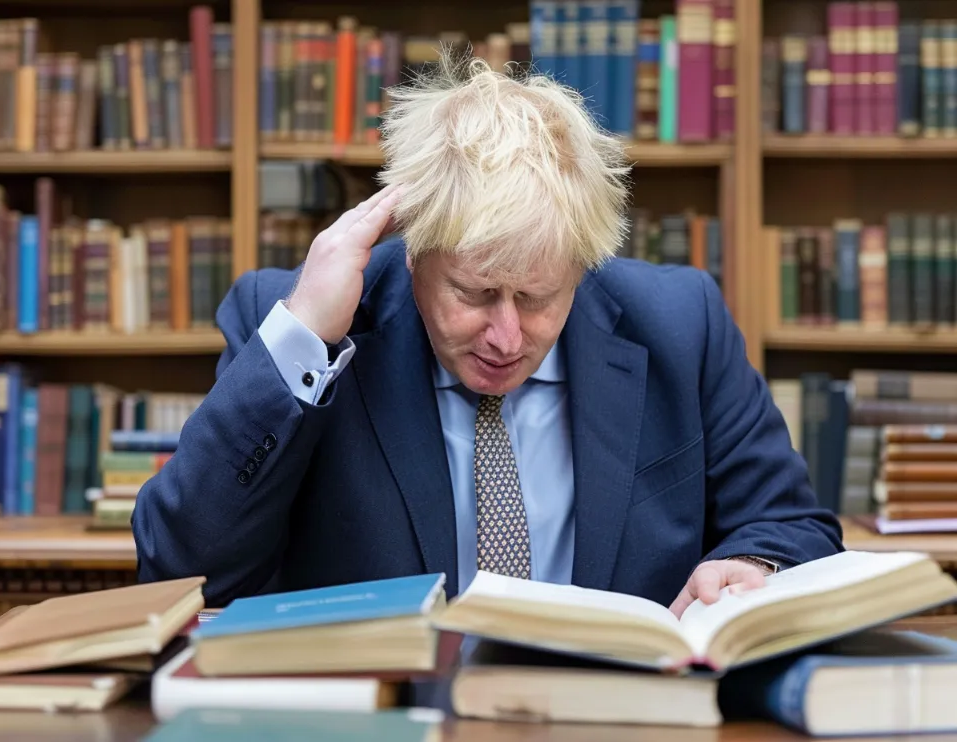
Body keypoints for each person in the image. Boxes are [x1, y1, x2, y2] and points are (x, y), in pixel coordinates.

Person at [131, 53, 843, 616]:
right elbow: (184, 568)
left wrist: (753, 567)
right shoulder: (300, 324)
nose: (507, 335)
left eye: (538, 298)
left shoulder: (680, 324)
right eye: (475, 294)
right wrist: (304, 337)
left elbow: (794, 529)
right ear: (413, 253)